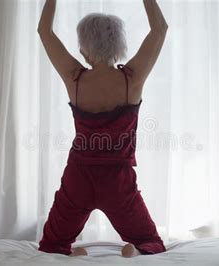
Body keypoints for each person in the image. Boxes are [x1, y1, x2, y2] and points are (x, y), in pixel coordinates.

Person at [37, 0, 168, 258]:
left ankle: (74, 255)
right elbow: (160, 29)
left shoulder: (74, 77)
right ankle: (135, 251)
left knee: (51, 245)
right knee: (150, 242)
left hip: (78, 177)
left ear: (85, 49)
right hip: (118, 181)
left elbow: (45, 32)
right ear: (118, 44)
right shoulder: (132, 78)